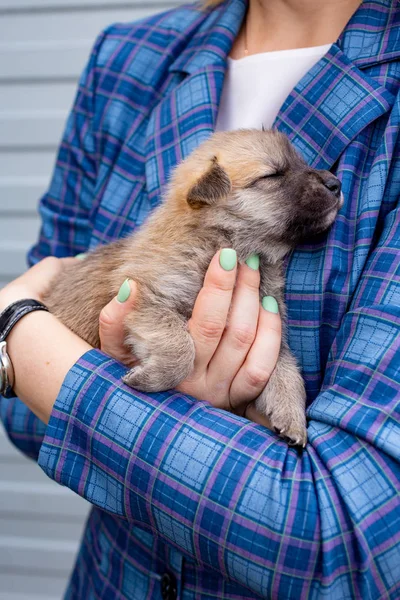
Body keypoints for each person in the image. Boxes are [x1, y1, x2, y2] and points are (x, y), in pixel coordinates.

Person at [1, 0, 399, 597]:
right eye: (273, 180)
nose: (317, 183)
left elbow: (345, 542)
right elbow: (18, 413)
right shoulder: (127, 58)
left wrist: (22, 341)